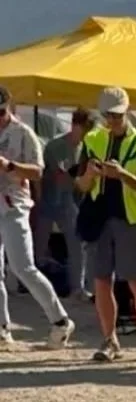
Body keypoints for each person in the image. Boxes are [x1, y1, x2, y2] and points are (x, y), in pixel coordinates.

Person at [72, 89, 136, 363]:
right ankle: (110, 340)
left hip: (130, 219)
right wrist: (89, 174)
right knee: (101, 282)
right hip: (99, 219)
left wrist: (122, 174)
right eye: (108, 114)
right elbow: (81, 185)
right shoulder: (92, 139)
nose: (111, 120)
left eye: (116, 115)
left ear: (125, 113)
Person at [0, 87, 76, 348]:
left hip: (14, 207)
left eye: (0, 112)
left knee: (24, 268)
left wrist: (9, 165)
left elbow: (38, 172)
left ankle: (60, 321)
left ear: (8, 108)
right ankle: (2, 328)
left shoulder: (24, 133)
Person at [34, 107, 94, 300]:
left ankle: (77, 287)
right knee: (38, 246)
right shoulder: (55, 146)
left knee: (77, 245)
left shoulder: (86, 148)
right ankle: (30, 286)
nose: (85, 133)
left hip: (69, 202)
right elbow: (57, 176)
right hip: (48, 200)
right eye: (84, 128)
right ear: (75, 125)